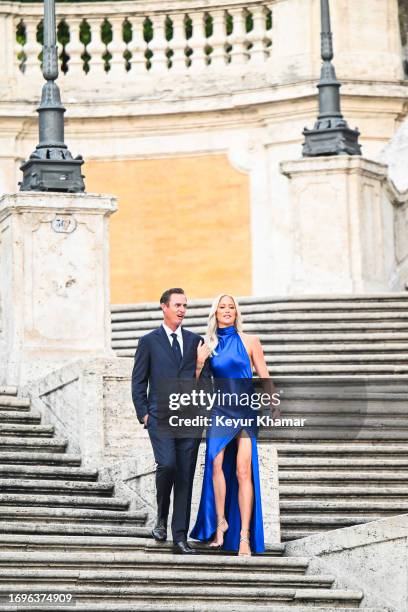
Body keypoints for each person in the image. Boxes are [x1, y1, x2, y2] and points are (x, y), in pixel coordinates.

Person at [190, 294, 271, 556]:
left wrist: (275, 404)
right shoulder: (207, 345)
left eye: (231, 307)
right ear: (215, 313)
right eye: (222, 307)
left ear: (237, 313)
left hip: (246, 411)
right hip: (220, 410)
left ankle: (244, 536)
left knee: (243, 472)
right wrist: (200, 362)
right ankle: (220, 523)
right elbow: (193, 384)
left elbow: (264, 375)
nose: (227, 311)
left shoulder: (250, 341)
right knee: (215, 462)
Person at [131, 288, 209, 554]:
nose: (182, 310)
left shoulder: (195, 341)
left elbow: (204, 382)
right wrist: (144, 412)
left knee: (185, 476)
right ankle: (161, 516)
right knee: (167, 465)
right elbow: (138, 381)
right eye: (177, 305)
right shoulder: (148, 341)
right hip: (160, 417)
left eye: (185, 306)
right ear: (164, 307)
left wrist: (199, 366)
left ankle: (179, 537)